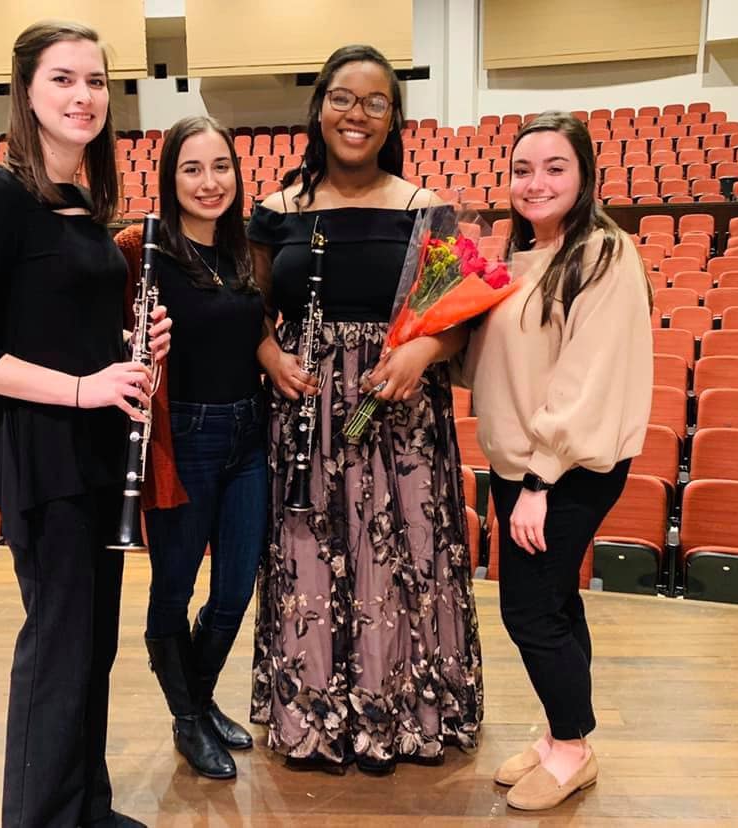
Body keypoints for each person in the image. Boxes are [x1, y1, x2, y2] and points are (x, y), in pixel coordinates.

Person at [0, 21, 170, 828]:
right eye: (64, 79)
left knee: (92, 645)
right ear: (26, 91)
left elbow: (84, 342)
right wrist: (82, 388)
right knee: (58, 648)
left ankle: (84, 808)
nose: (84, 96)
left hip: (99, 449)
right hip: (43, 451)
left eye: (96, 81)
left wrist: (138, 354)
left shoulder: (86, 205)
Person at [247, 44, 484, 776]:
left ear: (393, 118)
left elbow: (456, 314)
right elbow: (248, 308)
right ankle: (312, 715)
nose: (357, 113)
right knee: (309, 553)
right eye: (343, 98)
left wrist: (422, 354)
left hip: (400, 413)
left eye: (375, 101)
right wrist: (269, 356)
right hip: (307, 417)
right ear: (318, 108)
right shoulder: (275, 211)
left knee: (404, 559)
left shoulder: (425, 209)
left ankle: (404, 714)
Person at [455, 111, 653, 810]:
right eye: (522, 170)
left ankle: (573, 749)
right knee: (557, 602)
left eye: (554, 167)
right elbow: (495, 365)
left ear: (585, 174)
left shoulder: (602, 253)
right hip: (520, 464)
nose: (535, 183)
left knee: (530, 611)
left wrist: (541, 479)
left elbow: (584, 377)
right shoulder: (519, 259)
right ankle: (558, 735)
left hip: (563, 468)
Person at [114, 116, 266, 781]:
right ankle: (188, 717)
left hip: (248, 435)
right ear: (170, 178)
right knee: (173, 589)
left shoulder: (245, 251)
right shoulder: (140, 249)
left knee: (234, 590)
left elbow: (257, 335)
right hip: (188, 438)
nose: (210, 182)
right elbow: (111, 337)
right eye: (192, 169)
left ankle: (195, 702)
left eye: (221, 167)